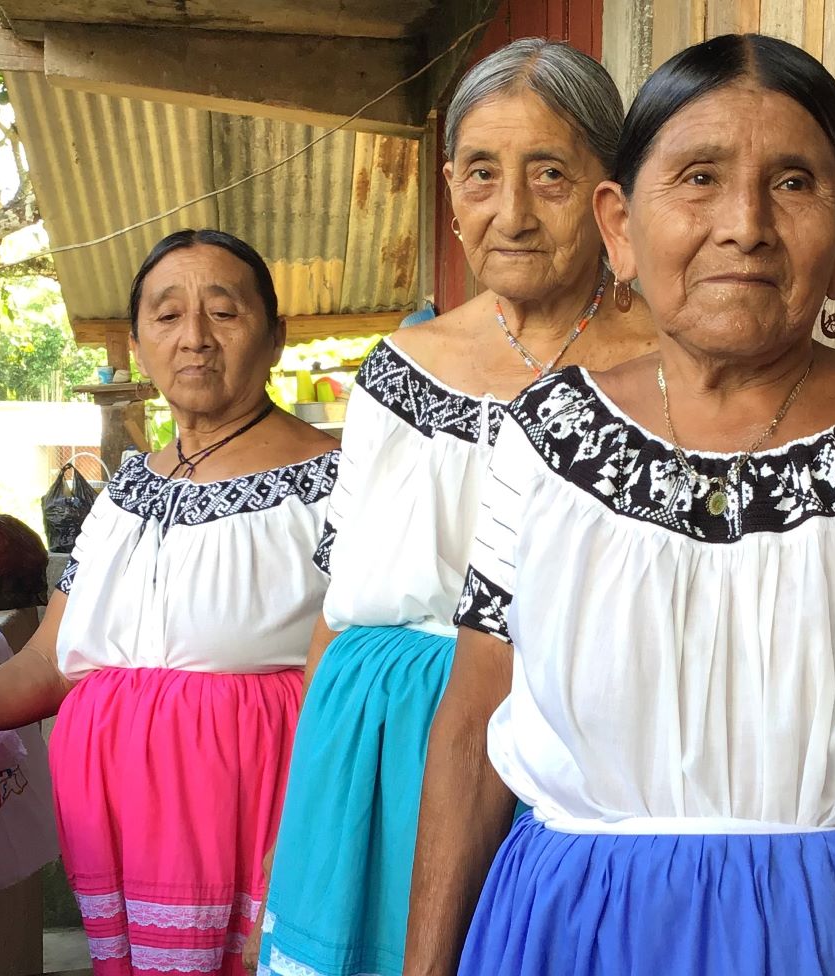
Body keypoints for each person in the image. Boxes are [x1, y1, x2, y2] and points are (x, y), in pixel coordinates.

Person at [404, 33, 835, 976]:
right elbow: (473, 727)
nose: (745, 225)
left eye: (795, 183)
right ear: (620, 226)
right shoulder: (541, 438)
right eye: (697, 178)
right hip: (587, 938)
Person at [256, 38, 657, 976]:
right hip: (373, 748)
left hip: (568, 745)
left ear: (612, 192)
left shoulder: (672, 364)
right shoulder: (401, 369)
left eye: (549, 174)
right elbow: (338, 601)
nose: (509, 212)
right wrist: (301, 813)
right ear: (449, 188)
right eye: (481, 174)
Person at [0, 229, 340, 976]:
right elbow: (49, 663)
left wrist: (311, 821)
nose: (194, 338)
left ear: (276, 336)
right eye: (167, 316)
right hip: (120, 831)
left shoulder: (335, 483)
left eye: (224, 313)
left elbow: (355, 679)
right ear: (138, 343)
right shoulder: (125, 494)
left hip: (263, 819)